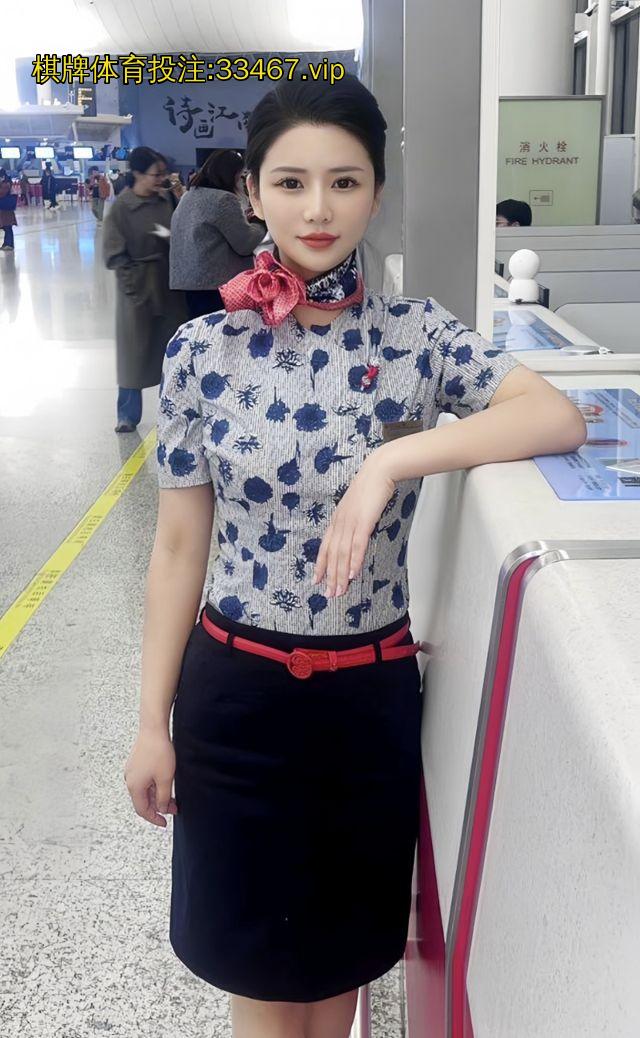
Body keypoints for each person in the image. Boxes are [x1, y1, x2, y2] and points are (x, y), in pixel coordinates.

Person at [124, 76, 586, 1038]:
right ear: (253, 194)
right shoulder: (202, 350)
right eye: (291, 183)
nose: (318, 209)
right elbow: (176, 548)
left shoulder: (417, 337)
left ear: (377, 192)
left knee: (340, 967)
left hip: (365, 703)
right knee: (257, 972)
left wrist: (392, 460)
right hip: (236, 699)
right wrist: (149, 724)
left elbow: (556, 416)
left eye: (345, 181)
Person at [102, 146, 187, 433]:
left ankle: (172, 412)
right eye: (155, 174)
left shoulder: (166, 199)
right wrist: (133, 286)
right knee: (134, 354)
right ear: (138, 173)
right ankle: (127, 415)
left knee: (171, 353)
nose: (161, 179)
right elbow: (113, 255)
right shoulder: (121, 208)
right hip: (137, 289)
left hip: (168, 285)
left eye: (163, 173)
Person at [169, 149, 267, 319]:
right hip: (214, 283)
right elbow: (245, 243)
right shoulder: (223, 199)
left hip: (188, 281)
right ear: (231, 174)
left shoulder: (189, 196)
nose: (241, 180)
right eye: (240, 176)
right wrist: (260, 222)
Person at [0, 169, 17, 251]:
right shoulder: (7, 183)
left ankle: (9, 244)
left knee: (7, 227)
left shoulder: (5, 184)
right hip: (6, 208)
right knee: (6, 227)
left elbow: (2, 194)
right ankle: (7, 243)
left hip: (6, 209)